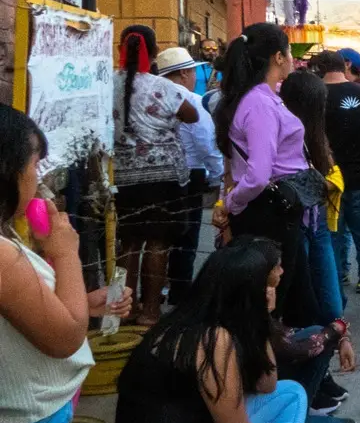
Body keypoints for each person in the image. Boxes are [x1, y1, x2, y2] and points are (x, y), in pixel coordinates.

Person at [108, 240, 360, 423]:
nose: (273, 292)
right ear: (247, 293)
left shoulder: (210, 321)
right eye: (268, 286)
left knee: (290, 393)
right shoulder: (211, 337)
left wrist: (262, 318)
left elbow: (267, 385)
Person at [0, 106, 132, 423]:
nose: (37, 178)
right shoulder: (4, 255)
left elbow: (25, 312)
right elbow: (66, 337)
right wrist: (64, 253)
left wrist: (83, 301)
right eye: (34, 165)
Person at [212, 23, 323, 329]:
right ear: (277, 57)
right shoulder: (259, 103)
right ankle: (266, 372)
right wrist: (229, 204)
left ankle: (315, 374)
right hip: (268, 213)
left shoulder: (262, 97)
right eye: (289, 52)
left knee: (301, 300)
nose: (292, 59)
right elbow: (259, 173)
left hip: (279, 210)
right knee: (271, 307)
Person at [114, 25, 199, 324]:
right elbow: (192, 115)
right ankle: (151, 310)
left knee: (129, 243)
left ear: (120, 50)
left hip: (123, 176)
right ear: (153, 53)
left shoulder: (107, 84)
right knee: (158, 242)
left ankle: (124, 309)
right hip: (164, 178)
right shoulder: (163, 87)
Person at [313, 51, 360, 316]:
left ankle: (335, 304)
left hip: (329, 181)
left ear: (318, 70)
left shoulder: (315, 97)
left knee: (330, 241)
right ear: (344, 66)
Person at [157, 47, 225, 307]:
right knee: (186, 237)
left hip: (157, 174)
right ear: (184, 73)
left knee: (159, 237)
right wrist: (219, 177)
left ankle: (155, 291)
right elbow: (206, 144)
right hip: (190, 173)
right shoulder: (192, 102)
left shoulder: (148, 95)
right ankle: (180, 293)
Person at [279, 71, 345, 325]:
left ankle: (317, 329)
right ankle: (334, 329)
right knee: (322, 277)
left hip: (301, 214)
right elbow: (332, 173)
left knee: (306, 278)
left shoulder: (292, 128)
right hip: (310, 215)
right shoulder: (308, 132)